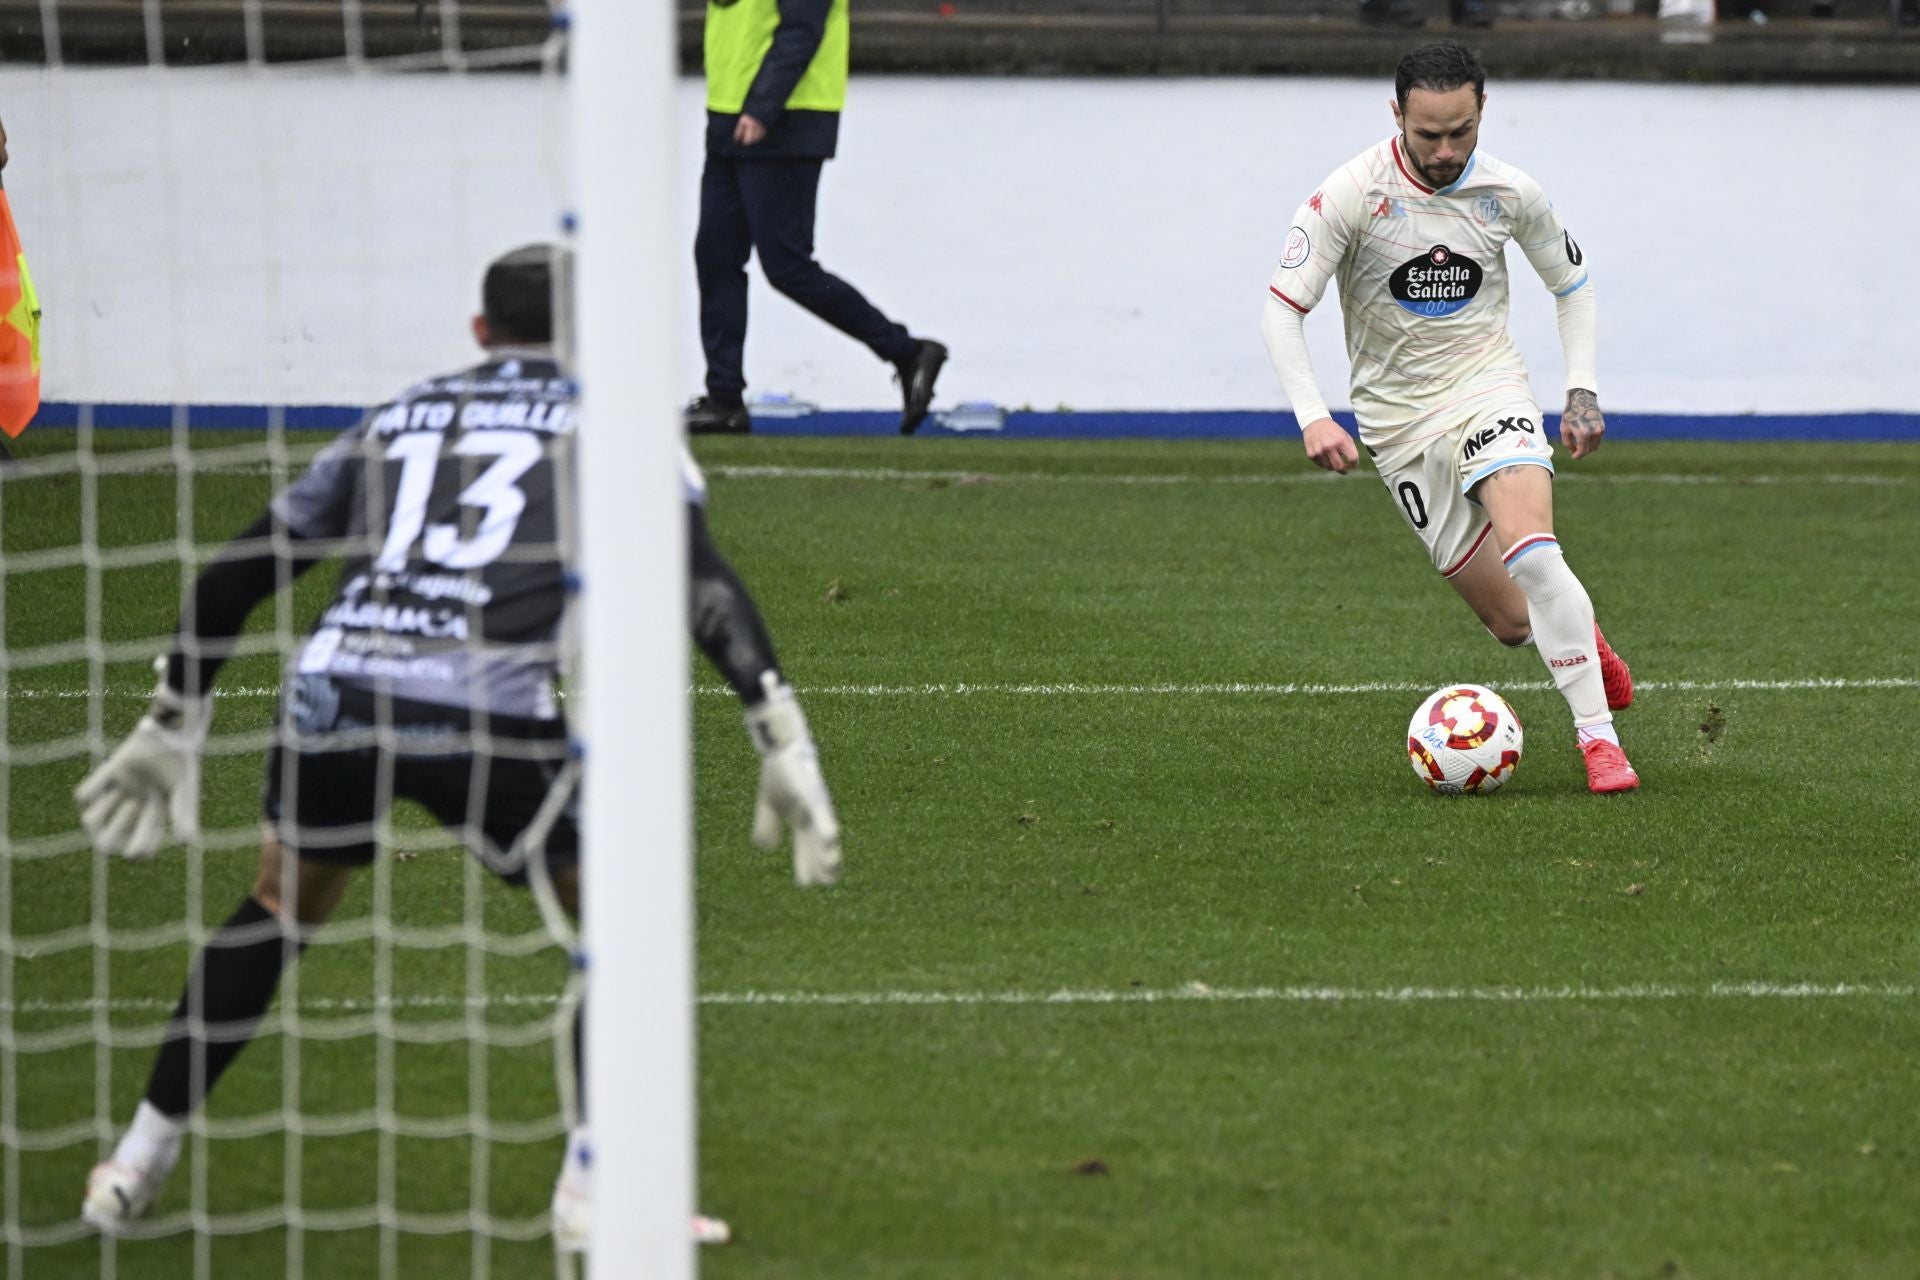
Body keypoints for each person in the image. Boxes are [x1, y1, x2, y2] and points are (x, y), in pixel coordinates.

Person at [73, 244, 842, 1249]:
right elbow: (697, 579)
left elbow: (244, 568)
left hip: (336, 689)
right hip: (488, 706)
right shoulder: (606, 421)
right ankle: (589, 1187)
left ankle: (134, 1158)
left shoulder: (401, 414)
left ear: (481, 332)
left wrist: (172, 717)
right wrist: (778, 728)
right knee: (621, 931)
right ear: (591, 332)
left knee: (275, 908)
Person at [1260, 41, 1639, 795]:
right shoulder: (1349, 194)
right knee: (1513, 622)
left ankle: (1600, 742)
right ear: (1396, 113)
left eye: (1460, 131)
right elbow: (1282, 307)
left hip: (1487, 389)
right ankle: (1583, 638)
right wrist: (1313, 416)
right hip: (1398, 428)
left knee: (1533, 553)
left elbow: (1574, 284)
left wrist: (1581, 389)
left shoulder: (1510, 191)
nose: (1444, 150)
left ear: (1482, 112)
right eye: (1427, 133)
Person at [686, 0, 946, 436]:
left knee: (788, 265)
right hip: (729, 113)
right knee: (715, 256)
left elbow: (802, 29)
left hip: (784, 117)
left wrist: (763, 106)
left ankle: (907, 352)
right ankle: (723, 398)